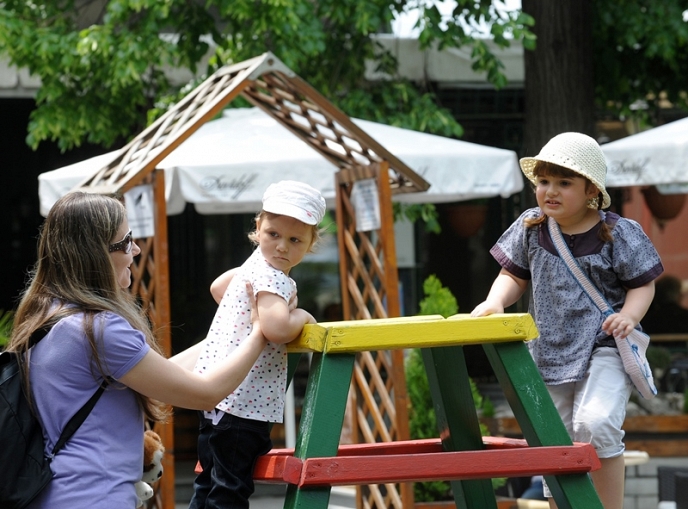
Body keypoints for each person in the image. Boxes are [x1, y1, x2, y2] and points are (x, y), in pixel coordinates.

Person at [6, 191, 268, 509]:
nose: (136, 249)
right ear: (97, 253)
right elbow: (204, 393)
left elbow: (158, 378)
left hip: (54, 493)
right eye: (127, 241)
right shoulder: (98, 329)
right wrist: (258, 335)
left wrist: (231, 328)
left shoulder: (51, 316)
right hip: (95, 497)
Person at [470, 132, 664, 509]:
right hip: (549, 350)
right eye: (543, 182)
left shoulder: (618, 233)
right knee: (553, 436)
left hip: (603, 345)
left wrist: (629, 315)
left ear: (591, 188)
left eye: (564, 182)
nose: (550, 191)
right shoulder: (531, 227)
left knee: (597, 422)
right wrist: (495, 303)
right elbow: (513, 276)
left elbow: (643, 284)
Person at [189, 180, 326, 509]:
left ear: (310, 244)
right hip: (243, 404)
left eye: (294, 240)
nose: (282, 247)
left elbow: (218, 288)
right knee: (231, 489)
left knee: (209, 482)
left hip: (217, 396)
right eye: (273, 235)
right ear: (258, 228)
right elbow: (277, 328)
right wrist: (303, 316)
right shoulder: (274, 277)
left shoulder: (253, 267)